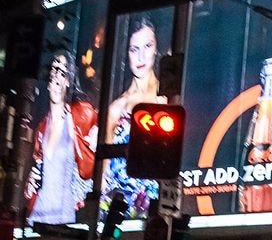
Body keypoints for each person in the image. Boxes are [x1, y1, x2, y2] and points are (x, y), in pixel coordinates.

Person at [102, 14, 167, 219]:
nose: (140, 57)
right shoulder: (116, 109)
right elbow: (103, 173)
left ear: (156, 49)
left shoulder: (165, 99)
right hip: (116, 209)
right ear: (126, 53)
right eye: (134, 49)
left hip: (153, 208)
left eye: (147, 46)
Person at [25, 50, 97, 224]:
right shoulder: (42, 128)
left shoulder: (81, 115)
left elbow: (91, 165)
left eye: (63, 72)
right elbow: (38, 169)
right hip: (40, 215)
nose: (57, 76)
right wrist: (30, 183)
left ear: (68, 81)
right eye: (54, 70)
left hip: (65, 217)